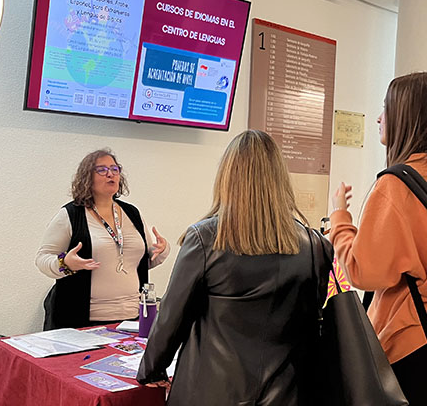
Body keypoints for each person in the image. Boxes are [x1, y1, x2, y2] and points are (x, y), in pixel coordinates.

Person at [329, 71, 427, 406]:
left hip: (410, 343)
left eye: (385, 108)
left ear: (404, 116)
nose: (378, 118)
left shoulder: (395, 185)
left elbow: (363, 273)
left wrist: (339, 220)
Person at [137, 130, 333, 406]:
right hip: (288, 392)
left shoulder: (205, 239)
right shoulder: (315, 244)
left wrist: (151, 369)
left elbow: (172, 317)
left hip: (211, 392)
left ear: (227, 176)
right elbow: (312, 320)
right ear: (280, 178)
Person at [36, 148, 169, 329]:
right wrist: (65, 263)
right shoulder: (71, 214)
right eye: (102, 170)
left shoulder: (132, 213)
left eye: (115, 169)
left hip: (133, 319)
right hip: (84, 322)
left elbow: (142, 261)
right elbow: (43, 258)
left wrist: (161, 250)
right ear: (87, 177)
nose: (110, 174)